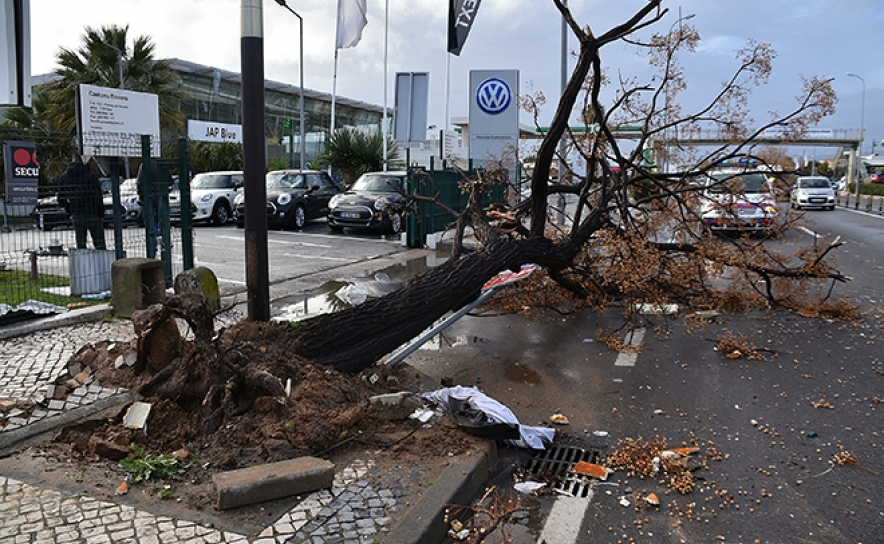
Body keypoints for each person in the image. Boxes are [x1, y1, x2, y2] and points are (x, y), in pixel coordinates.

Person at [58, 156, 107, 250]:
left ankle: (82, 263)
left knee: (81, 245)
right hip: (92, 213)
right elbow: (97, 197)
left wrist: (70, 210)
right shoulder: (91, 175)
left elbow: (61, 198)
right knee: (99, 244)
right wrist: (100, 213)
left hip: (76, 213)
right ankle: (101, 263)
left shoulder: (65, 177)